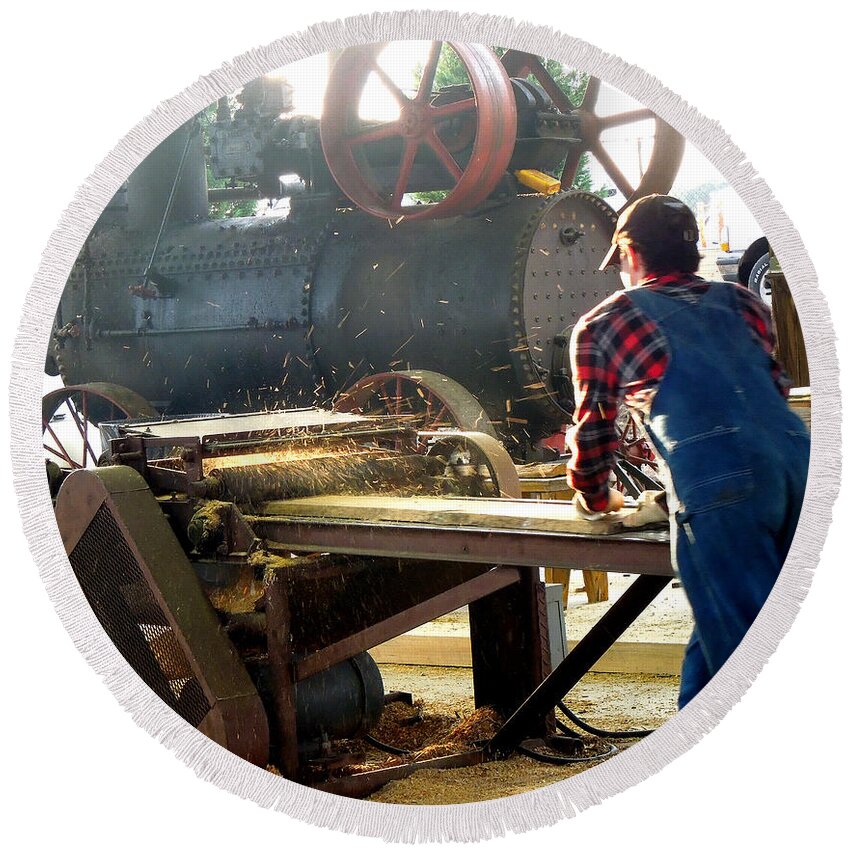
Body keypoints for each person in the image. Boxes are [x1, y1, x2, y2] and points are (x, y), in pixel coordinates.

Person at [566, 194, 810, 708]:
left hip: (725, 493)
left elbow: (595, 432)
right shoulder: (745, 303)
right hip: (802, 470)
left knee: (747, 665)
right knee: (725, 638)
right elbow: (762, 402)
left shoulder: (603, 324)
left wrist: (594, 497)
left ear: (629, 253)